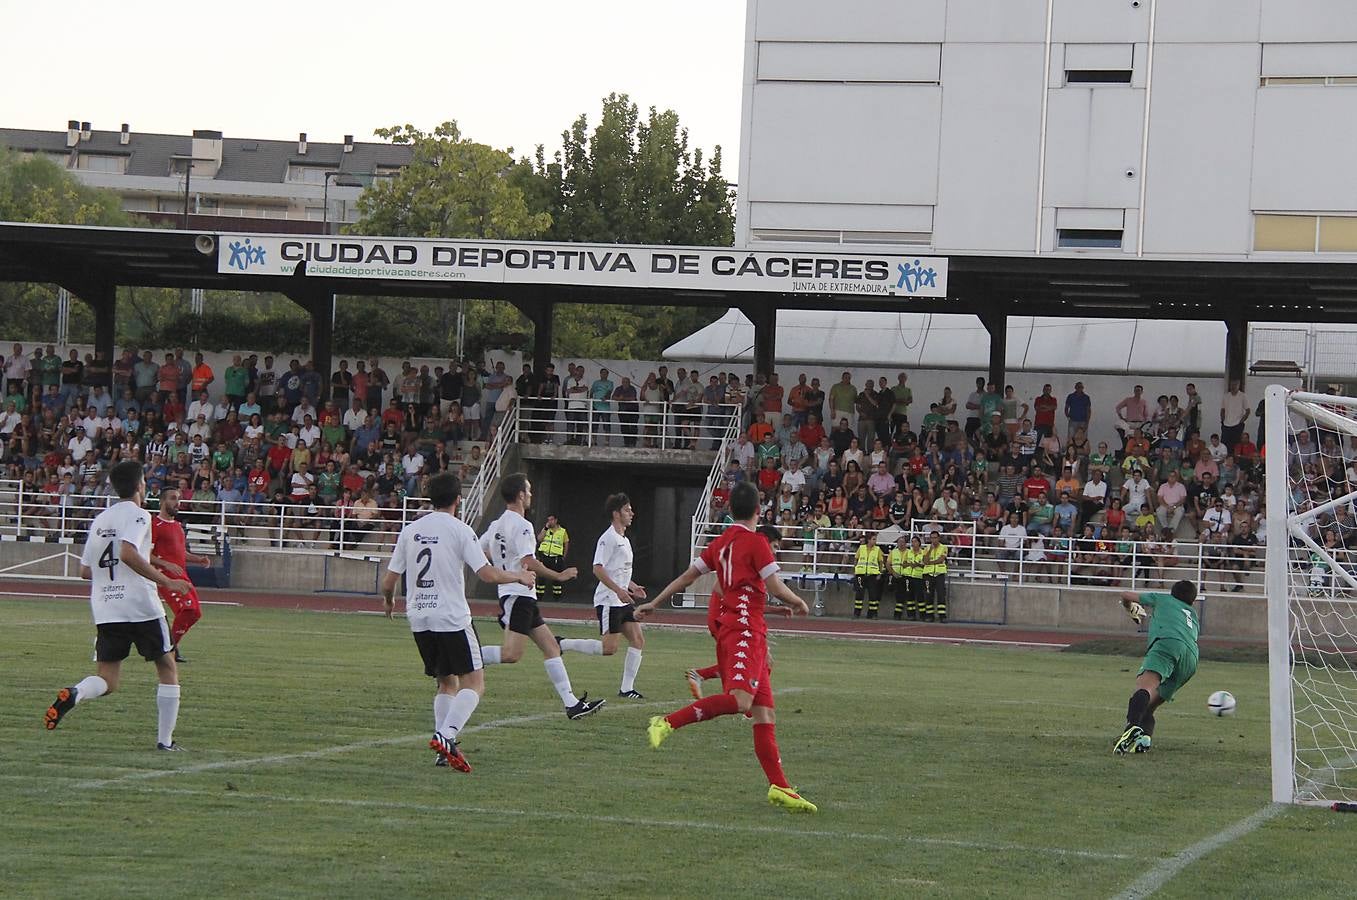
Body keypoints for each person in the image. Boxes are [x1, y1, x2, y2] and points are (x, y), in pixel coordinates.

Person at [634, 481, 817, 814]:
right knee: (741, 702)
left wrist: (655, 604)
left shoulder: (720, 543)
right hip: (745, 630)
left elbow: (688, 577)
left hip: (747, 630)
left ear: (729, 509)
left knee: (764, 713)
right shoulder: (757, 542)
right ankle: (666, 722)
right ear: (759, 510)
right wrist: (798, 601)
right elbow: (774, 584)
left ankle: (780, 786)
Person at [381, 472, 534, 772]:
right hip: (451, 616)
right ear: (458, 500)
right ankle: (446, 736)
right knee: (474, 683)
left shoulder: (410, 531)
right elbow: (487, 574)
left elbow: (389, 582)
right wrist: (519, 575)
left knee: (446, 682)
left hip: (419, 617)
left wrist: (389, 602)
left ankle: (442, 750)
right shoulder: (461, 530)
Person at [44, 460, 192, 751]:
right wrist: (167, 581)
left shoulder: (100, 519)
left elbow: (85, 571)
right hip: (140, 604)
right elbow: (127, 552)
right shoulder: (139, 516)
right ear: (140, 486)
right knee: (166, 666)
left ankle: (76, 693)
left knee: (108, 680)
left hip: (106, 608)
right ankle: (165, 741)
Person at [477, 473, 603, 720]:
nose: (531, 495)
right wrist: (558, 575)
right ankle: (465, 657)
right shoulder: (522, 525)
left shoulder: (497, 524)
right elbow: (528, 561)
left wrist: (502, 568)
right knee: (512, 654)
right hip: (518, 596)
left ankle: (572, 704)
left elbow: (480, 551)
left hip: (519, 595)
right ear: (520, 495)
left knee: (551, 647)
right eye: (529, 490)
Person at [1113, 580, 1201, 755]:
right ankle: (1144, 739)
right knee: (1149, 707)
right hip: (1191, 658)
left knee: (1144, 687)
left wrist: (1130, 607)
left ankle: (1131, 728)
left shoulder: (1163, 599)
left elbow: (1125, 595)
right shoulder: (1192, 615)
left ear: (1172, 593)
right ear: (1192, 601)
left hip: (1168, 642)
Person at [581, 493, 649, 698]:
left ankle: (626, 689)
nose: (632, 513)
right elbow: (598, 568)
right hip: (609, 600)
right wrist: (618, 590)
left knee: (638, 640)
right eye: (627, 510)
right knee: (609, 648)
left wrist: (632, 586)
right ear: (616, 514)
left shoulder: (624, 540)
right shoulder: (607, 538)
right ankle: (564, 643)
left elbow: (618, 571)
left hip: (622, 601)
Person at [149, 488, 211, 662]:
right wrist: (165, 564)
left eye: (178, 499)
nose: (177, 502)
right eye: (173, 498)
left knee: (195, 613)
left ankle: (170, 646)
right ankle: (169, 649)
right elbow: (146, 555)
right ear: (162, 501)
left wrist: (198, 559)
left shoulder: (177, 526)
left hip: (182, 575)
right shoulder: (155, 525)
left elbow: (180, 552)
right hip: (166, 578)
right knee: (187, 609)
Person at [535, 514, 570, 599]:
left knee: (557, 577)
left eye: (551, 520)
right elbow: (539, 539)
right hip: (544, 556)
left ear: (556, 520)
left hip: (556, 557)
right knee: (541, 577)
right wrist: (545, 528)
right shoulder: (545, 529)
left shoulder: (562, 531)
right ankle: (539, 596)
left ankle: (557, 597)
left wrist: (563, 557)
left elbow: (566, 544)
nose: (549, 522)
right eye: (548, 520)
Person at [852, 530, 885, 619]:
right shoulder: (861, 548)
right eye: (873, 539)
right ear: (869, 540)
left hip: (872, 575)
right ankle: (856, 613)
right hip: (861, 574)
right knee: (859, 594)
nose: (875, 541)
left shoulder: (878, 550)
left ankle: (872, 614)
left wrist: (880, 573)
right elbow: (856, 559)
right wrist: (856, 569)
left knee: (873, 595)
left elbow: (881, 562)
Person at [921, 530, 949, 622]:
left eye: (935, 538)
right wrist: (930, 550)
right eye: (931, 538)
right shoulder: (927, 548)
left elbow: (941, 559)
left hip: (939, 574)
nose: (933, 540)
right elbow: (924, 561)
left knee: (941, 595)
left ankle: (942, 616)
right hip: (928, 575)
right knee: (928, 595)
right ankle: (929, 615)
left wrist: (930, 562)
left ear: (939, 538)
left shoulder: (943, 547)